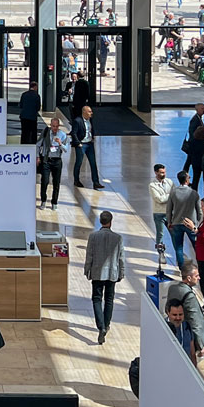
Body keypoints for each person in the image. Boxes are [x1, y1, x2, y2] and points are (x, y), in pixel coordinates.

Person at [83, 211, 125, 344]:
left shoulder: (93, 236)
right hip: (112, 273)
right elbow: (121, 258)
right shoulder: (118, 238)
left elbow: (89, 255)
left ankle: (100, 326)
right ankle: (106, 325)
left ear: (100, 221)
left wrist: (87, 270)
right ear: (111, 221)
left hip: (97, 273)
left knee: (96, 299)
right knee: (109, 299)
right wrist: (121, 272)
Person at [165, 262, 204, 356]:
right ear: (189, 278)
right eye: (196, 276)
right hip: (186, 336)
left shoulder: (172, 288)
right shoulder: (189, 296)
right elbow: (196, 321)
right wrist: (200, 345)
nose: (199, 278)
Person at [166, 170, 200, 269]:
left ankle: (182, 268)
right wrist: (197, 223)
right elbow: (199, 210)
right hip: (191, 223)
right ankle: (200, 264)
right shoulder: (193, 193)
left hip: (176, 222)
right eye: (189, 177)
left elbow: (169, 209)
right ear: (186, 180)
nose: (190, 179)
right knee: (196, 245)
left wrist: (169, 221)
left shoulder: (174, 192)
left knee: (179, 247)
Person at [37, 117, 69, 210]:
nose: (54, 128)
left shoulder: (63, 135)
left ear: (59, 126)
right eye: (53, 126)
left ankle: (54, 202)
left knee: (56, 182)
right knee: (45, 181)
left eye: (56, 126)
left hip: (57, 161)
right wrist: (37, 156)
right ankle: (43, 200)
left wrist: (60, 143)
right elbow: (38, 144)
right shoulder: (46, 132)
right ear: (51, 125)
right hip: (47, 160)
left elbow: (66, 149)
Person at [71, 104, 103, 189]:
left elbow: (91, 129)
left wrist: (92, 137)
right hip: (81, 144)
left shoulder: (90, 120)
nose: (91, 113)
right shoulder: (77, 121)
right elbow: (73, 133)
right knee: (79, 162)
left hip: (89, 144)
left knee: (93, 163)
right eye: (89, 111)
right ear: (84, 112)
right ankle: (76, 180)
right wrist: (78, 143)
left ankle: (96, 182)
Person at [166, 295, 197, 365]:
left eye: (180, 314)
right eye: (174, 315)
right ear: (168, 313)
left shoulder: (187, 326)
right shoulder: (163, 327)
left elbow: (192, 353)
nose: (178, 318)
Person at [148, 163, 173, 248]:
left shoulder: (169, 182)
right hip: (159, 213)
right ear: (156, 172)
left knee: (174, 233)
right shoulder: (152, 185)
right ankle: (160, 251)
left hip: (169, 212)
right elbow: (159, 199)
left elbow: (175, 194)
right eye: (161, 172)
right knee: (160, 234)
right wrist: (170, 195)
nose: (163, 174)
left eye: (164, 172)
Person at [185, 124, 204, 193]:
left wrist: (186, 168)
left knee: (195, 180)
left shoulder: (192, 142)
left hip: (195, 164)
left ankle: (194, 195)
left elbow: (189, 155)